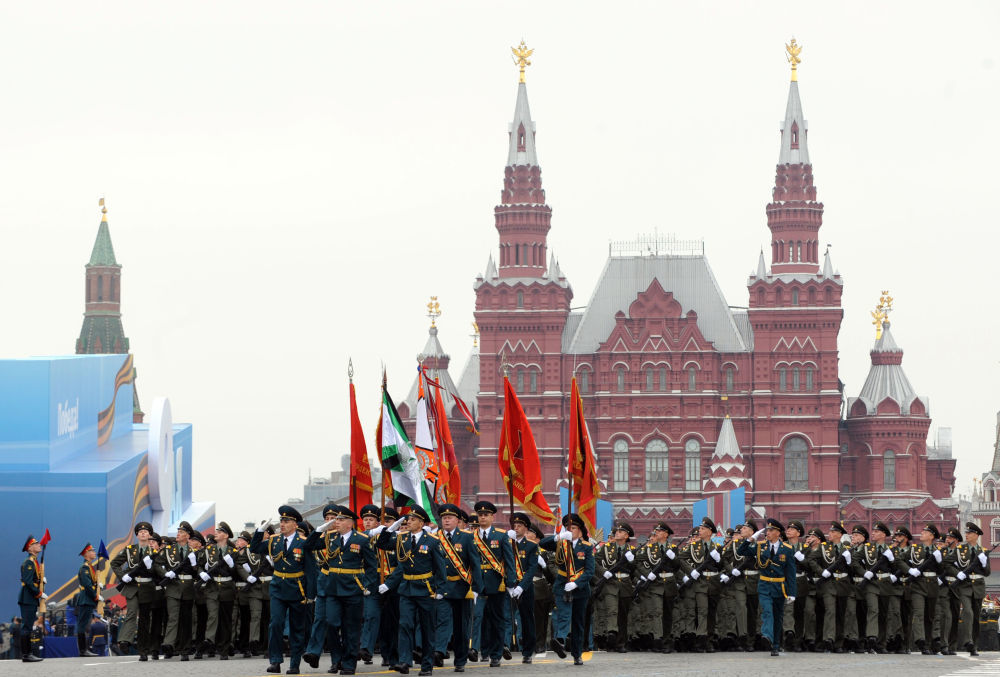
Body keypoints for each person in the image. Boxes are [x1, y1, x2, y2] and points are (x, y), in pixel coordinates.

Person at [304, 504, 377, 675]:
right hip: (333, 590)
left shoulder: (361, 539)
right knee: (331, 623)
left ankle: (349, 663)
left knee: (351, 628)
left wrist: (366, 586)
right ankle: (336, 659)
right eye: (336, 519)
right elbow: (309, 546)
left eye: (341, 519)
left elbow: (372, 567)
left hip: (353, 590)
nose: (337, 522)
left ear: (350, 523)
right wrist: (318, 530)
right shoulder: (330, 537)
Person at [377, 506, 446, 676]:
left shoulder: (432, 541)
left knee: (427, 628)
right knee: (405, 625)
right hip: (407, 589)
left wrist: (440, 589)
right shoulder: (401, 539)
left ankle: (427, 665)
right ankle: (405, 662)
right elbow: (382, 543)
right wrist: (390, 529)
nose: (409, 522)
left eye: (413, 520)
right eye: (408, 520)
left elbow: (440, 568)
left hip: (426, 589)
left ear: (421, 523)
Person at [251, 504, 316, 675]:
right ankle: (275, 661)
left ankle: (294, 664)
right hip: (278, 587)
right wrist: (260, 531)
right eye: (281, 521)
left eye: (287, 521)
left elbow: (310, 570)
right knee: (276, 624)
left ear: (295, 525)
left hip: (297, 589)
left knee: (296, 628)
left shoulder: (303, 542)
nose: (283, 524)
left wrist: (310, 595)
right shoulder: (274, 540)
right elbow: (255, 548)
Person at [431, 503, 482, 672]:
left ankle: (460, 660)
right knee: (442, 621)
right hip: (443, 588)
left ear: (457, 520)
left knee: (461, 626)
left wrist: (476, 588)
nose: (446, 520)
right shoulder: (434, 537)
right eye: (444, 518)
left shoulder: (466, 537)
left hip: (462, 589)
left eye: (450, 518)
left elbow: (475, 564)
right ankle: (438, 651)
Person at [539, 513, 594, 665]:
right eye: (568, 528)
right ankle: (561, 641)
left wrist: (576, 583)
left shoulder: (587, 547)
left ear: (580, 530)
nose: (571, 531)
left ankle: (577, 654)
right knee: (564, 613)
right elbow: (542, 543)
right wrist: (558, 537)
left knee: (578, 622)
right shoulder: (560, 543)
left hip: (580, 589)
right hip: (562, 585)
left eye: (574, 528)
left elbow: (590, 571)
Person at [737, 518, 796, 656]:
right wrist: (751, 539)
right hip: (764, 585)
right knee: (767, 611)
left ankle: (775, 645)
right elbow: (741, 551)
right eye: (767, 530)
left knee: (778, 616)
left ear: (778, 533)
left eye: (771, 530)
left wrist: (792, 593)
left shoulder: (787, 549)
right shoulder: (760, 546)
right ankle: (766, 636)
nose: (767, 533)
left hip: (779, 586)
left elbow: (791, 573)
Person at [470, 501, 516, 668]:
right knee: (478, 619)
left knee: (497, 620)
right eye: (480, 515)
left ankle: (496, 654)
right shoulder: (470, 536)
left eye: (486, 515)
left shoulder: (501, 535)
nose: (482, 517)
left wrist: (511, 582)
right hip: (477, 584)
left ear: (492, 517)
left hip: (497, 584)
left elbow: (509, 561)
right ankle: (482, 650)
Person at [111, 521, 157, 659]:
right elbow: (114, 563)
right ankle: (124, 641)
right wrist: (122, 576)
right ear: (137, 535)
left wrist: (151, 567)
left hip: (147, 588)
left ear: (150, 535)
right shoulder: (130, 549)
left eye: (146, 531)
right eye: (141, 531)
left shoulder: (154, 552)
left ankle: (143, 651)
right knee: (131, 613)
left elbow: (158, 571)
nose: (143, 533)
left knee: (144, 619)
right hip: (132, 587)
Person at [157, 520, 197, 660]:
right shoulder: (168, 550)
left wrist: (194, 564)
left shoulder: (193, 552)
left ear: (187, 536)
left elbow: (198, 572)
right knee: (173, 617)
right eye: (178, 532)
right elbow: (157, 564)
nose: (178, 534)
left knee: (186, 619)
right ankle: (169, 643)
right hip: (173, 587)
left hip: (187, 588)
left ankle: (185, 649)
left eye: (181, 532)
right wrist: (165, 574)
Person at [201, 521, 237, 659]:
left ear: (226, 535)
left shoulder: (233, 552)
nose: (216, 533)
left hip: (227, 588)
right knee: (213, 614)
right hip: (213, 587)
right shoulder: (209, 550)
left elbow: (236, 573)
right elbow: (198, 565)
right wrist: (202, 572)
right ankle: (209, 639)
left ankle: (224, 649)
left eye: (220, 532)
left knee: (226, 620)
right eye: (216, 531)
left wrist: (232, 565)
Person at [507, 512, 539, 662]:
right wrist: (509, 584)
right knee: (505, 618)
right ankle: (504, 647)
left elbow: (532, 568)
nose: (517, 527)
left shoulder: (531, 546)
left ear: (526, 528)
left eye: (520, 525)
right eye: (515, 525)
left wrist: (521, 587)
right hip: (508, 586)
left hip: (524, 588)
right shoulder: (506, 543)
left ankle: (527, 651)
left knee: (527, 620)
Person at [956, 521, 991, 655]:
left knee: (976, 617)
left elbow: (987, 573)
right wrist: (956, 573)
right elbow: (949, 564)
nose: (967, 535)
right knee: (968, 612)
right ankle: (968, 640)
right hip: (965, 586)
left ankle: (973, 645)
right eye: (966, 533)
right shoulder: (959, 550)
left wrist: (983, 562)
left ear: (976, 535)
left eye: (969, 533)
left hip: (978, 587)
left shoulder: (983, 552)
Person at [18, 536, 44, 663]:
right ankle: (26, 654)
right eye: (36, 543)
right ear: (30, 548)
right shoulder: (29, 562)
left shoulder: (34, 562)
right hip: (28, 598)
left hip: (30, 598)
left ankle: (28, 654)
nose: (39, 545)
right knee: (27, 627)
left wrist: (40, 581)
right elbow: (28, 581)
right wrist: (39, 593)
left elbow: (32, 579)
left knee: (28, 626)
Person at [74, 543, 100, 657]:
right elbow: (87, 585)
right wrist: (95, 595)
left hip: (88, 599)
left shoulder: (89, 566)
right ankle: (83, 650)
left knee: (84, 624)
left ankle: (84, 650)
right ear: (86, 554)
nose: (94, 552)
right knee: (82, 625)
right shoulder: (85, 567)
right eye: (92, 551)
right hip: (86, 598)